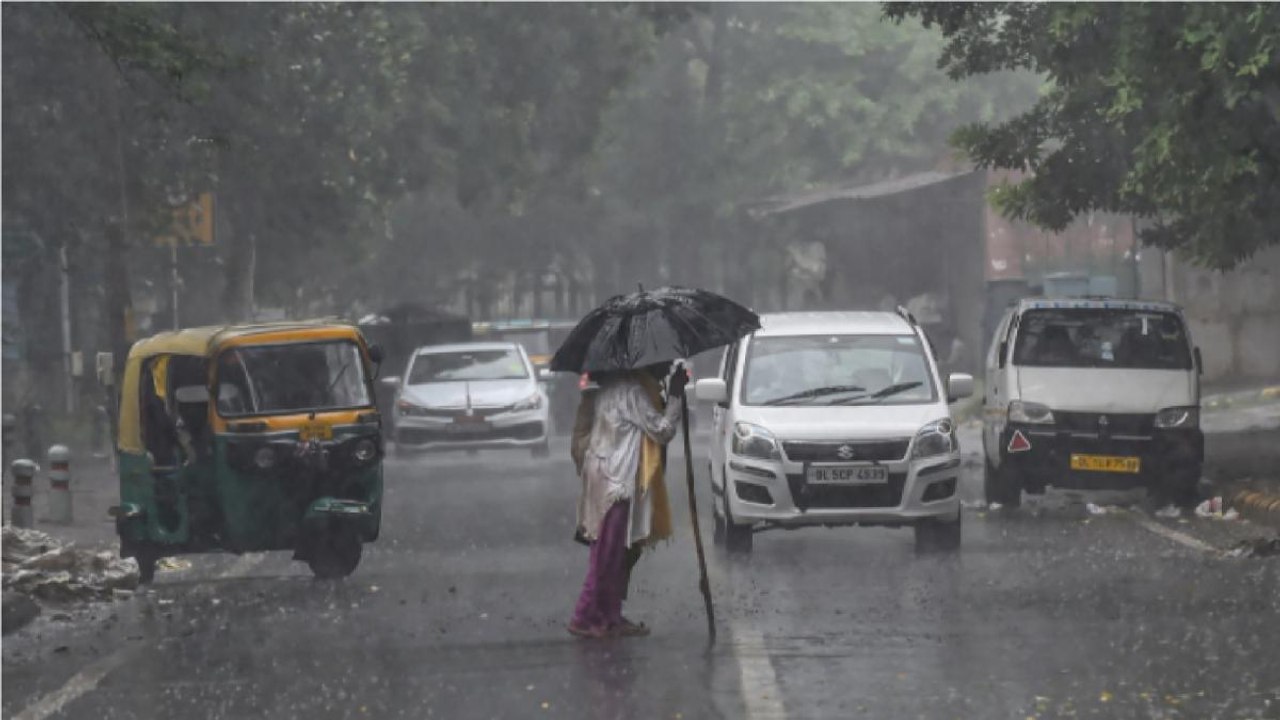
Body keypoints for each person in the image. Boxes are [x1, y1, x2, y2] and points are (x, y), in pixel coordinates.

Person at [568, 361, 687, 639]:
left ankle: (610, 616)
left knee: (615, 552)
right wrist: (677, 396)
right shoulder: (631, 392)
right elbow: (663, 430)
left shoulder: (613, 388)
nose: (667, 367)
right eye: (663, 363)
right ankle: (584, 616)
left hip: (605, 475)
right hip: (615, 481)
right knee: (607, 555)